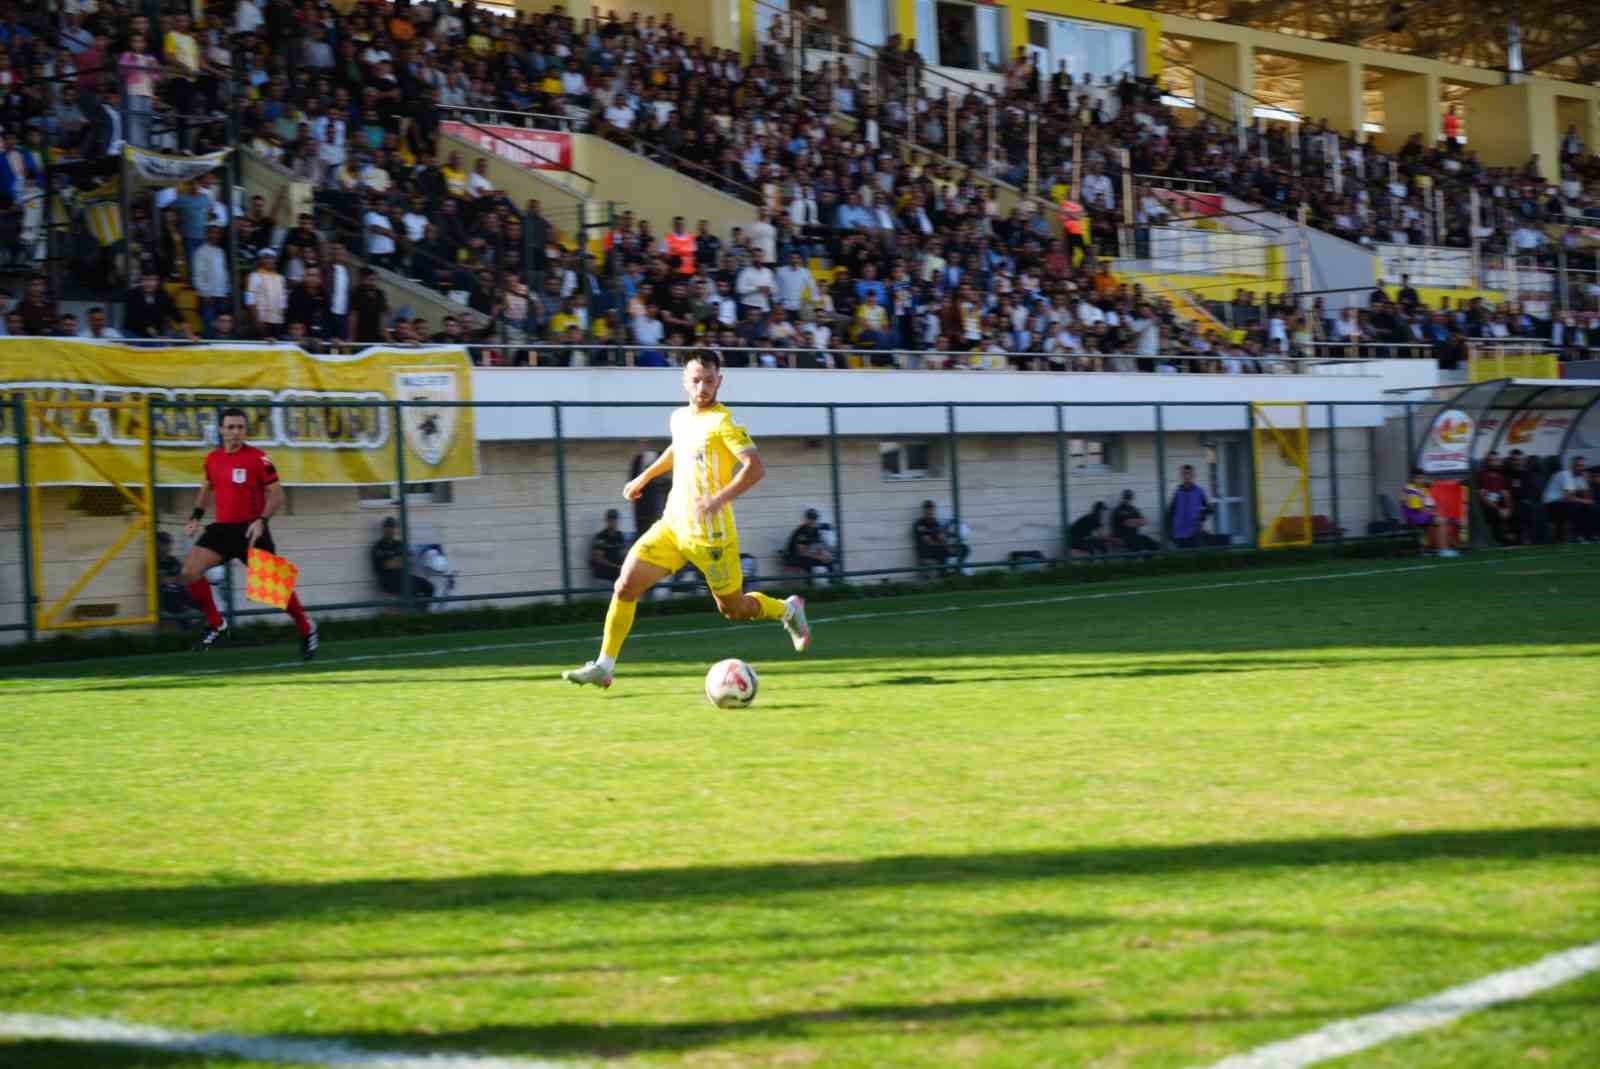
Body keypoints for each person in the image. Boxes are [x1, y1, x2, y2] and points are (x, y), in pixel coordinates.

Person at [563, 352, 810, 689]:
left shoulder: (724, 422)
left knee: (734, 609)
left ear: (719, 381)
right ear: (684, 381)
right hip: (673, 525)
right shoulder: (679, 418)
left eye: (709, 380)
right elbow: (678, 449)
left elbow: (755, 468)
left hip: (713, 537)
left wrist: (717, 499)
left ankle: (787, 610)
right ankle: (605, 666)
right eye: (696, 379)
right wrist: (644, 477)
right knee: (625, 585)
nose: (702, 386)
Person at [179, 407, 319, 658]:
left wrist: (262, 519)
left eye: (240, 427)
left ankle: (306, 626)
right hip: (222, 530)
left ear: (245, 430)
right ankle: (216, 623)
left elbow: (277, 493)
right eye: (230, 427)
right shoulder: (212, 458)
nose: (235, 432)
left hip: (251, 530)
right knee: (190, 571)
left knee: (275, 591)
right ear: (221, 429)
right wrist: (195, 518)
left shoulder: (259, 458)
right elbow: (206, 488)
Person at [371, 516, 435, 599]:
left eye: (393, 527)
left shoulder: (399, 544)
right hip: (388, 581)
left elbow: (410, 560)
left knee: (429, 587)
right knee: (412, 590)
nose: (391, 530)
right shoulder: (378, 546)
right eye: (388, 527)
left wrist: (396, 561)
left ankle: (422, 611)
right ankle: (413, 610)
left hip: (403, 578)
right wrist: (400, 560)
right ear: (383, 529)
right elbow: (387, 565)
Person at [1543, 455, 1597, 542]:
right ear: (1572, 466)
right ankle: (1577, 535)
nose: (1581, 468)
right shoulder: (1565, 474)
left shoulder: (1580, 477)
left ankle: (1589, 535)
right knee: (1578, 506)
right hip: (1551, 503)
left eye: (1582, 466)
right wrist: (1585, 501)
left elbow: (1589, 497)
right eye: (1578, 466)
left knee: (1591, 507)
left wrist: (1587, 481)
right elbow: (1569, 498)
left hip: (1563, 503)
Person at [913, 499, 968, 577]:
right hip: (926, 551)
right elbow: (928, 541)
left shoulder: (935, 522)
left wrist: (948, 545)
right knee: (941, 549)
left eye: (932, 510)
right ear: (924, 511)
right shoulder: (919, 524)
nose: (930, 512)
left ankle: (957, 570)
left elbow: (941, 537)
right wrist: (944, 546)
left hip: (939, 548)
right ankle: (943, 574)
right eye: (928, 510)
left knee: (964, 548)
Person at [1166, 464, 1211, 549]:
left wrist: (1201, 519)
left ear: (1193, 475)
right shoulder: (1178, 492)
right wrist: (1169, 532)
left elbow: (1209, 509)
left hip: (1193, 532)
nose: (1186, 476)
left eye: (1188, 473)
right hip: (1179, 533)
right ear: (1181, 476)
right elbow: (1170, 512)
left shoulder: (1199, 491)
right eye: (1184, 474)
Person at [155, 531, 196, 621]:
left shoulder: (174, 560)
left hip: (180, 592)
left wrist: (171, 579)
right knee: (177, 603)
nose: (167, 546)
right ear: (157, 544)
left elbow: (184, 578)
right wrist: (174, 579)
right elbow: (160, 581)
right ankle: (187, 627)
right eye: (164, 543)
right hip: (165, 597)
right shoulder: (154, 562)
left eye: (169, 543)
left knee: (199, 601)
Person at [784, 507, 835, 581]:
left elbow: (819, 547)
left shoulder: (816, 530)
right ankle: (810, 588)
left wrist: (825, 555)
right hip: (794, 557)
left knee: (829, 561)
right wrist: (818, 557)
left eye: (814, 518)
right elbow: (802, 552)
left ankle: (834, 586)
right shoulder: (801, 531)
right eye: (810, 518)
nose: (812, 521)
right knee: (808, 562)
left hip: (808, 556)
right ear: (806, 519)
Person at [1477, 452, 1515, 545]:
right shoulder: (1482, 476)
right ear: (1488, 462)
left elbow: (1506, 495)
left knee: (1517, 509)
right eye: (1492, 460)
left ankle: (1512, 538)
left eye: (1497, 460)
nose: (1495, 463)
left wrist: (1509, 509)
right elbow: (1482, 497)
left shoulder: (1502, 478)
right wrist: (1499, 509)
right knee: (1493, 513)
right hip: (1487, 505)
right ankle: (1501, 539)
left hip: (1499, 505)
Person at [1111, 490, 1159, 555]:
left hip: (1135, 537)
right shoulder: (1118, 510)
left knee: (1154, 545)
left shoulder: (1133, 509)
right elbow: (1128, 524)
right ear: (1123, 498)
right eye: (1127, 498)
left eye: (1130, 498)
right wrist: (1137, 521)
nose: (1129, 500)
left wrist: (1133, 521)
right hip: (1122, 538)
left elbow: (1145, 521)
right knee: (1139, 547)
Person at [589, 508, 626, 582]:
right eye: (610, 519)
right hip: (603, 577)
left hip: (617, 578)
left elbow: (623, 553)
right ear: (606, 520)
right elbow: (599, 559)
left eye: (615, 519)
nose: (613, 522)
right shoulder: (600, 537)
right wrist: (617, 566)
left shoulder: (620, 535)